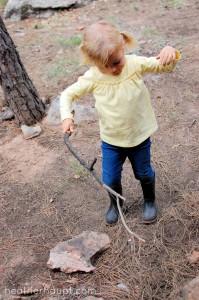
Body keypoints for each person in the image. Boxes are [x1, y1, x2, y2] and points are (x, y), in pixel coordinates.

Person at [60, 21, 180, 225]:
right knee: (110, 179)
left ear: (123, 47)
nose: (112, 69)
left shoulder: (135, 64)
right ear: (93, 60)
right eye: (104, 66)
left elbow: (163, 66)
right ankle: (115, 204)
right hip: (111, 140)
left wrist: (171, 52)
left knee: (143, 172)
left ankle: (149, 200)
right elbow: (67, 95)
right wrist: (67, 116)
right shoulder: (93, 77)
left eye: (116, 62)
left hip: (139, 136)